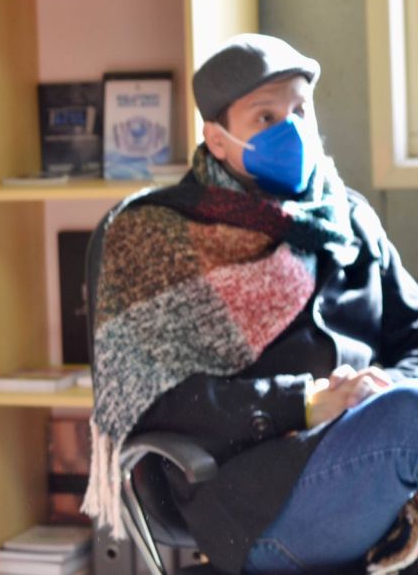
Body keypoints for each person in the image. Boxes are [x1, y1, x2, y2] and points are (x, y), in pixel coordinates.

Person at [82, 33, 418, 574]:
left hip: (379, 455)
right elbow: (159, 401)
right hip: (256, 496)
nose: (293, 129)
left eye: (300, 110)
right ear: (217, 140)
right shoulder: (157, 236)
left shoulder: (349, 217)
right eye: (266, 117)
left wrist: (373, 391)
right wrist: (305, 402)